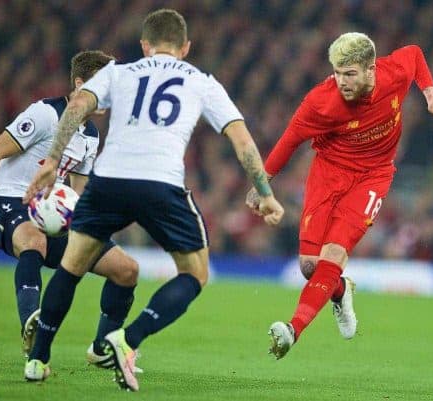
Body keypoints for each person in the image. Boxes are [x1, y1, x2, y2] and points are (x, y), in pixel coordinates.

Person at [22, 8, 284, 391]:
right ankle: (128, 338)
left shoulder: (120, 71)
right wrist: (266, 194)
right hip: (160, 183)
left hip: (109, 180)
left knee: (71, 267)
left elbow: (78, 104)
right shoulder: (201, 81)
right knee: (195, 274)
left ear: (145, 45)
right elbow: (242, 141)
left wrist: (52, 161)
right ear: (186, 47)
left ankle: (37, 359)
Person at [246, 32, 433, 359]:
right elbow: (289, 140)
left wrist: (431, 95)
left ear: (371, 70)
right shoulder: (320, 102)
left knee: (333, 254)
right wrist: (262, 186)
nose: (342, 81)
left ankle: (293, 330)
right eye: (337, 73)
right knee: (309, 266)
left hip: (373, 177)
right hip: (328, 172)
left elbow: (415, 54)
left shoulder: (392, 74)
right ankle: (341, 290)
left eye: (350, 74)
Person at [0, 51, 140, 368]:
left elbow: (78, 196)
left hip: (48, 215)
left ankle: (103, 348)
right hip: (5, 201)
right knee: (34, 241)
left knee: (126, 269)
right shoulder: (46, 114)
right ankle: (32, 330)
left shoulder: (91, 136)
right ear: (80, 84)